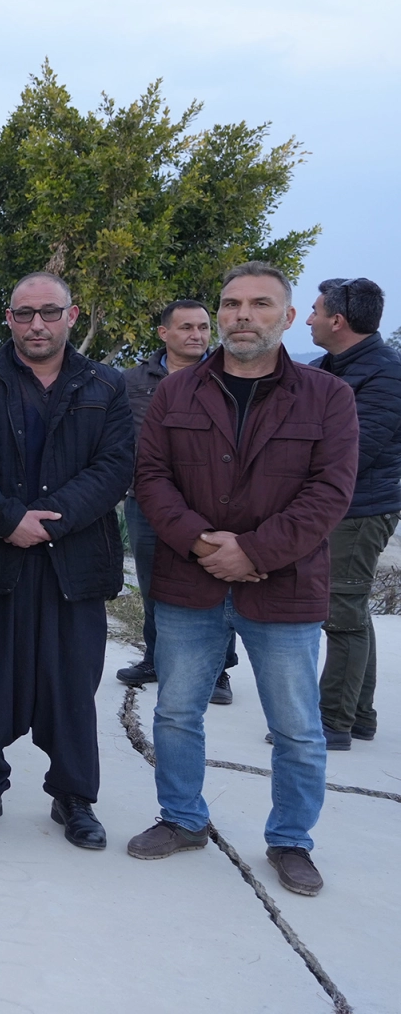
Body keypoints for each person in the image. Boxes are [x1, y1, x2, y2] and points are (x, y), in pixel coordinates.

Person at [130, 261, 358, 897]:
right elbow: (151, 478)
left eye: (260, 304)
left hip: (282, 587)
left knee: (296, 727)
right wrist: (203, 543)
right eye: (231, 304)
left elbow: (330, 493)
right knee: (176, 712)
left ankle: (291, 840)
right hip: (189, 580)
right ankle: (181, 819)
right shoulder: (175, 394)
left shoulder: (327, 397)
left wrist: (254, 552)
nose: (242, 316)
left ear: (287, 318)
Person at [0, 273, 134, 851]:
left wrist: (48, 518)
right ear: (8, 318)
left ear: (71, 316)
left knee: (72, 682)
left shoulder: (106, 384)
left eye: (48, 313)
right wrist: (8, 519)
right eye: (24, 314)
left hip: (72, 561)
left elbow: (115, 467)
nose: (37, 325)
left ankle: (73, 797)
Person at [116, 300, 236, 695]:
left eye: (203, 327)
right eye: (186, 327)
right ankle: (156, 658)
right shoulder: (132, 382)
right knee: (154, 584)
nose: (197, 335)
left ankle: (217, 672)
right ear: (164, 333)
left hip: (210, 503)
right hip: (147, 500)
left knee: (215, 583)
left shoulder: (228, 377)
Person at [307, 277, 401, 749]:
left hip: (361, 509)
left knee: (340, 610)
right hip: (346, 506)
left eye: (316, 311)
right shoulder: (334, 365)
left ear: (338, 321)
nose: (308, 320)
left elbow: (354, 452)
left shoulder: (386, 372)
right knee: (353, 608)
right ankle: (359, 715)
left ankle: (332, 722)